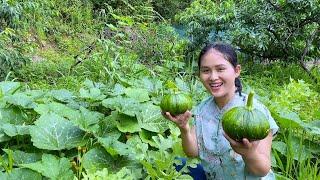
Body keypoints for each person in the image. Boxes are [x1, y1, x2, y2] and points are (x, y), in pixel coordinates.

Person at [163, 42, 279, 180]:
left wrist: (249, 153)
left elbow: (262, 171)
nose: (213, 77)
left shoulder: (256, 114)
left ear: (236, 71)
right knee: (177, 164)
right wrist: (184, 128)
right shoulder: (202, 110)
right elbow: (193, 153)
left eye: (220, 69)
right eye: (206, 70)